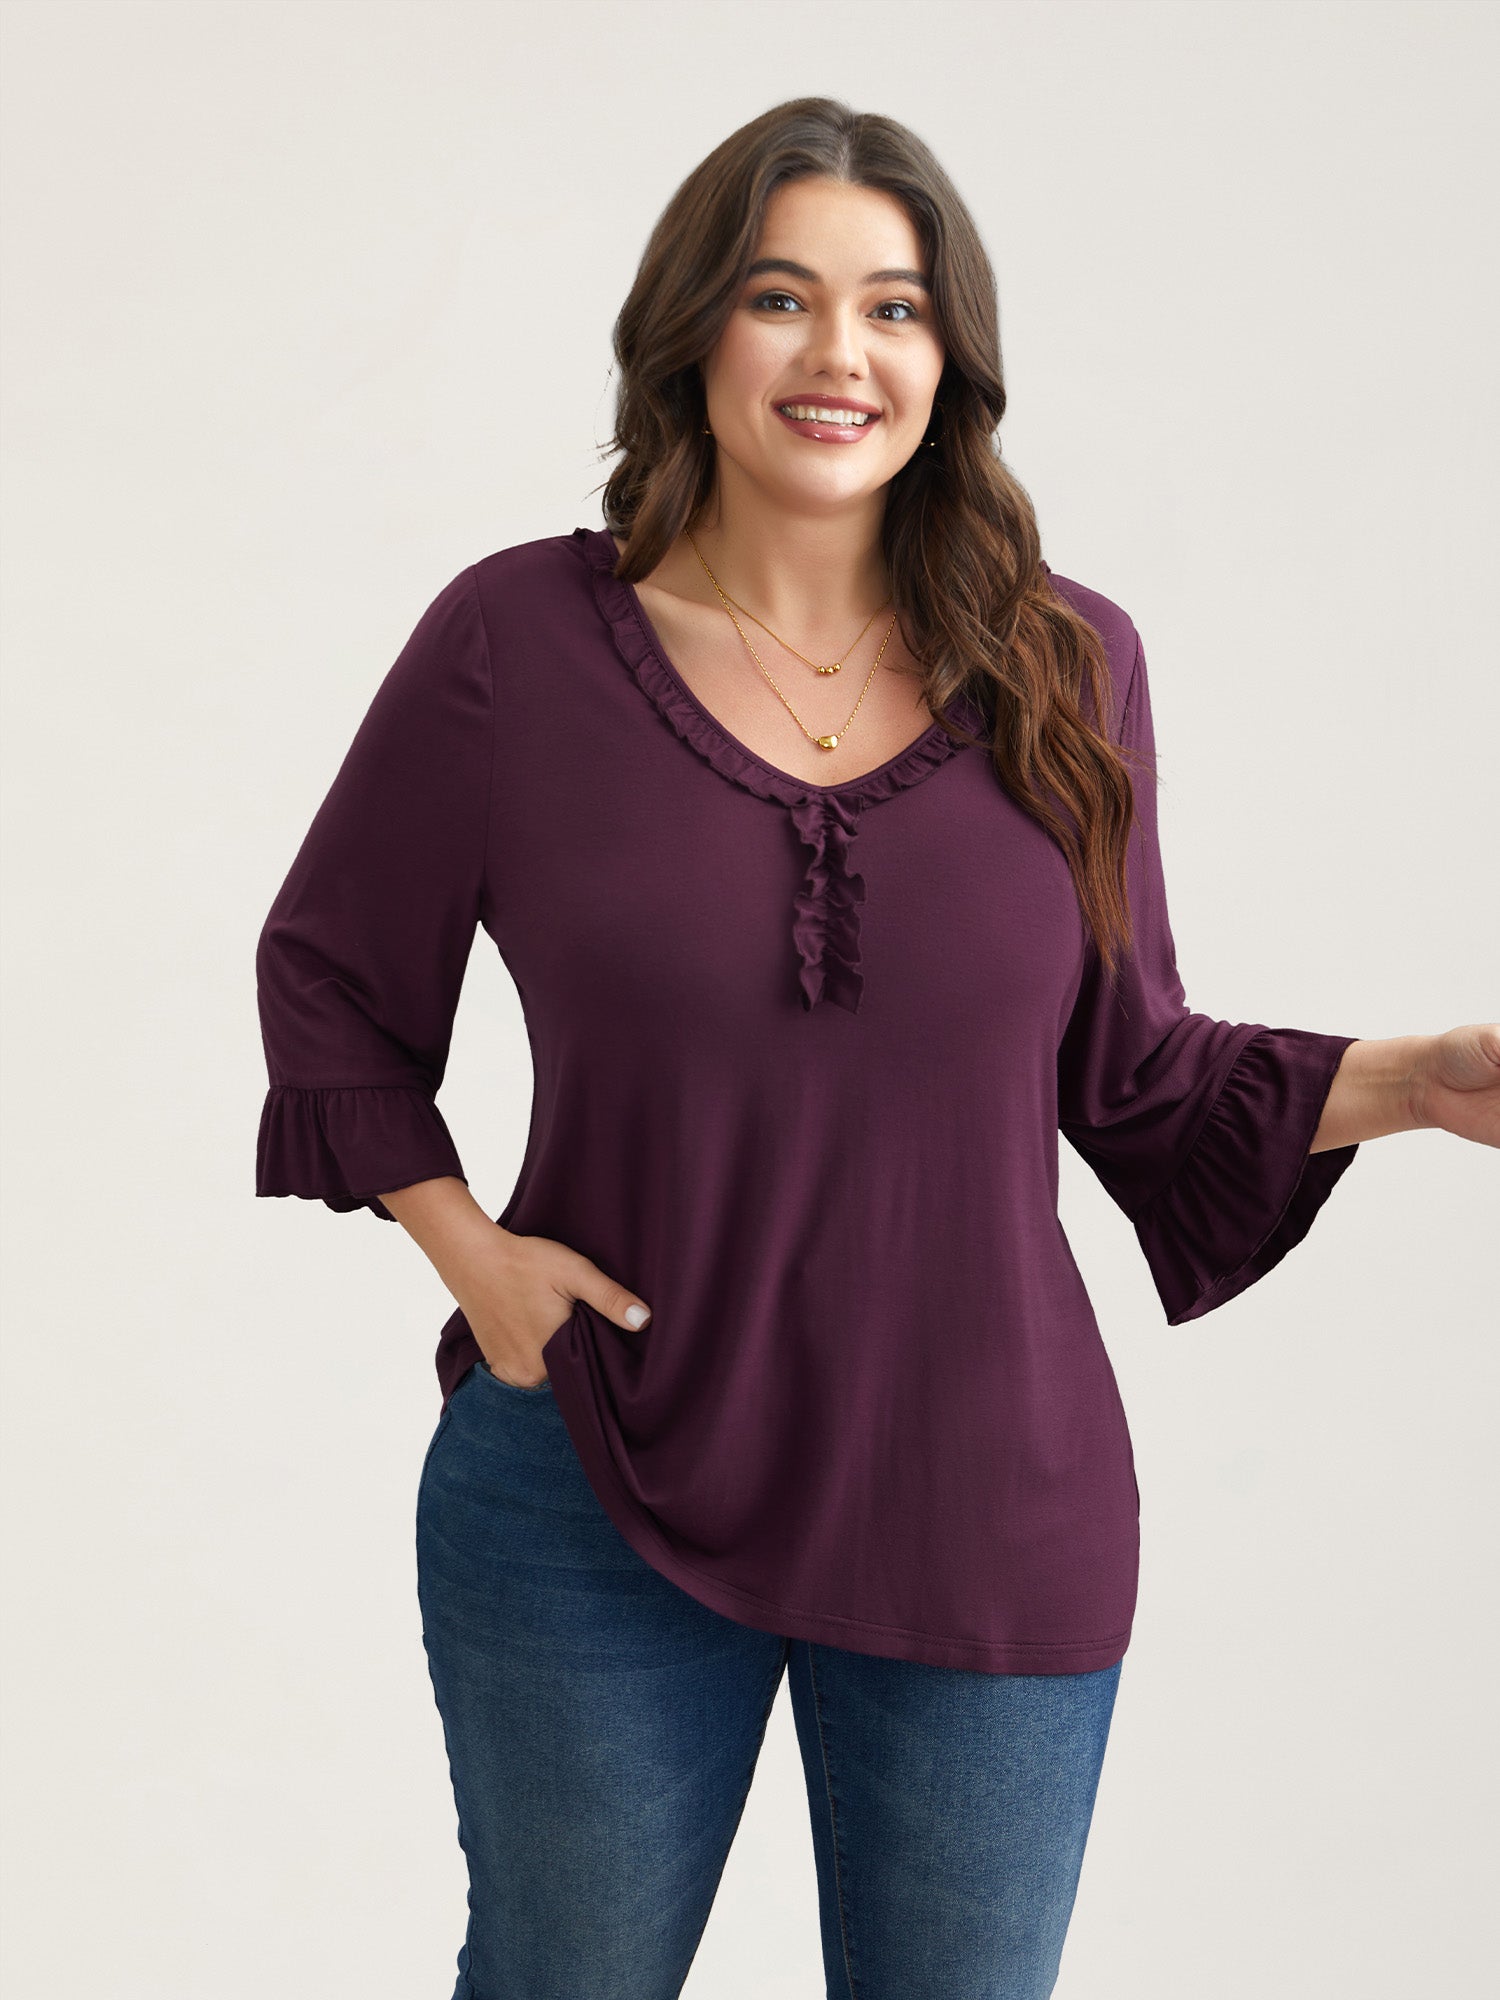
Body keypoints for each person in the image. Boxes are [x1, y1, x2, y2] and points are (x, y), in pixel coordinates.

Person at [253, 97, 1498, 2000]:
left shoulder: (1067, 664)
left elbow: (1133, 1070)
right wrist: (469, 1256)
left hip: (986, 1493)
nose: (840, 353)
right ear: (693, 332)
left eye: (895, 308)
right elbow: (331, 971)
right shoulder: (518, 643)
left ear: (950, 358)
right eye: (782, 296)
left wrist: (1414, 1082)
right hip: (594, 1476)